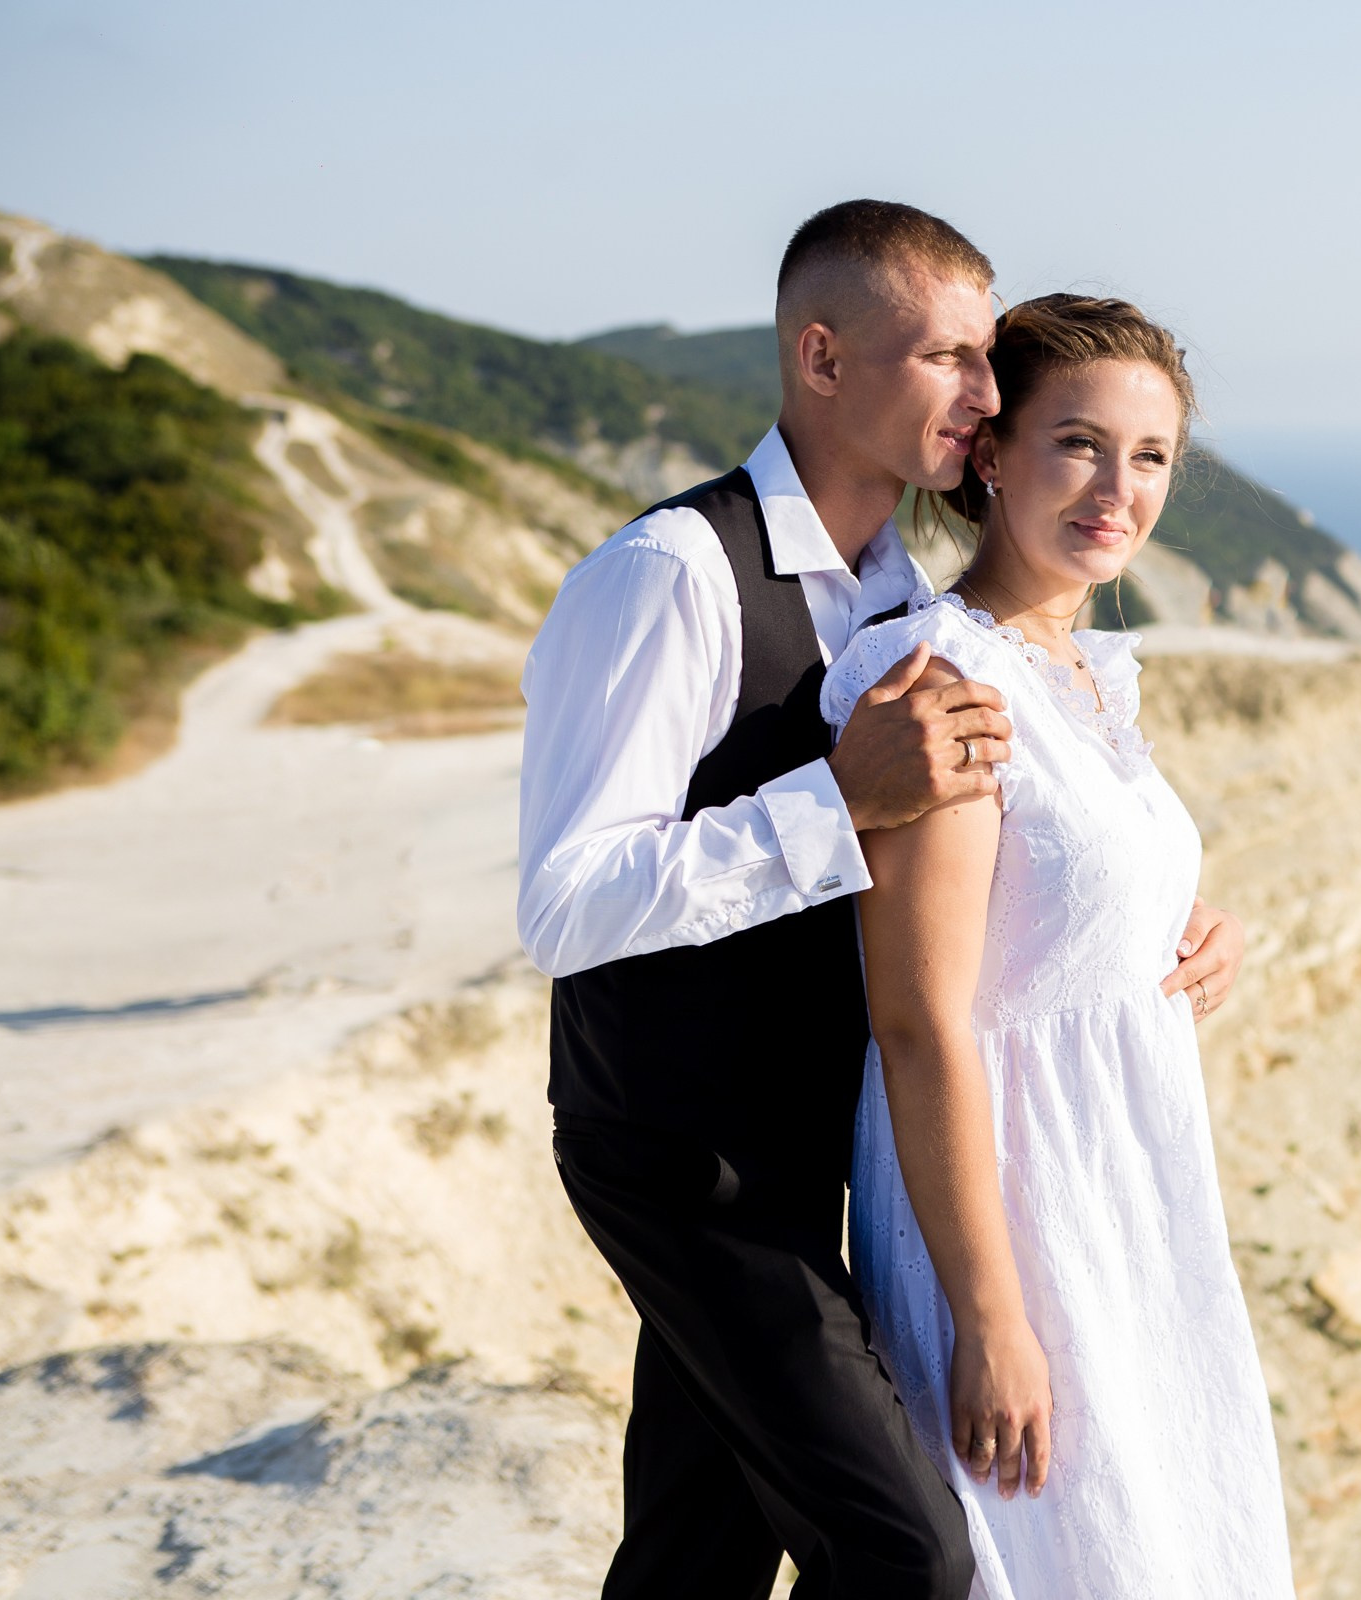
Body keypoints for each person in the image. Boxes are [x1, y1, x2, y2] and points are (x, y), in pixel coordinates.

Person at [516, 202, 1249, 1598]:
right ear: (824, 356)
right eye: (951, 360)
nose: (985, 398)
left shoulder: (891, 595)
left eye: (988, 363)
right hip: (682, 1147)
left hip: (809, 1141)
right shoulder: (671, 574)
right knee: (905, 1552)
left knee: (698, 1541)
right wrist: (836, 802)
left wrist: (1172, 923)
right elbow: (563, 904)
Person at [823, 294, 1296, 1598]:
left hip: (1126, 1185)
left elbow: (1066, 890)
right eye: (1076, 444)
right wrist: (991, 1319)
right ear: (991, 452)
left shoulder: (1086, 669)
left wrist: (1193, 929)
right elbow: (920, 1018)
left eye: (1148, 458)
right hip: (1022, 1210)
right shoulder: (946, 680)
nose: (1117, 489)